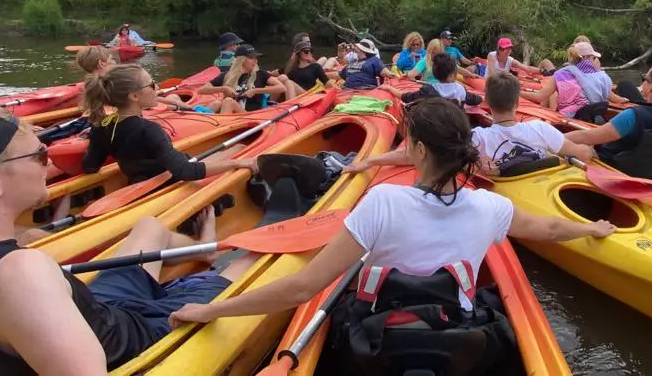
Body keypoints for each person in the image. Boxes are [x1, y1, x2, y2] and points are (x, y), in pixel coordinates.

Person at [169, 98, 616, 374]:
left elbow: (304, 287)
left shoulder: (381, 203)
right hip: (456, 340)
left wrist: (214, 309)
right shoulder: (491, 208)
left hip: (376, 343)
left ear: (419, 151)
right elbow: (551, 228)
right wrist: (591, 227)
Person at [0, 108, 259, 375]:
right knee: (252, 261)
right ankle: (217, 263)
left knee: (148, 227)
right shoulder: (18, 273)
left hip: (101, 315)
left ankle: (201, 251)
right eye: (38, 155)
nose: (49, 162)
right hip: (143, 337)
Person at [348, 72, 594, 176]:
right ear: (518, 101)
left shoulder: (476, 139)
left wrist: (371, 160)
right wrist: (587, 151)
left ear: (486, 102)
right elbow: (584, 153)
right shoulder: (541, 129)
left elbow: (416, 156)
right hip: (539, 179)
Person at [82, 64, 259, 183]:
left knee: (234, 148)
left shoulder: (102, 127)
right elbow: (185, 171)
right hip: (169, 180)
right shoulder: (149, 130)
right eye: (152, 85)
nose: (157, 88)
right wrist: (237, 164)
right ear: (134, 96)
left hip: (143, 178)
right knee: (240, 147)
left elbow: (90, 167)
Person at [565, 63, 652, 183]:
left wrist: (556, 139)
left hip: (622, 177)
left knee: (586, 148)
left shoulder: (633, 116)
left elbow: (589, 137)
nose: (643, 82)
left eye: (645, 79)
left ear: (651, 88)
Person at [520, 42, 628, 119]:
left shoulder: (560, 74)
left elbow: (540, 96)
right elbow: (612, 97)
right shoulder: (600, 76)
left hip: (570, 115)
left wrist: (517, 93)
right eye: (593, 58)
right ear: (588, 58)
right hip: (594, 113)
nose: (595, 60)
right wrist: (624, 100)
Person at [198, 44, 292, 113]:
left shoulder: (260, 74)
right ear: (241, 60)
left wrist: (255, 91)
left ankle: (219, 131)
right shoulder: (227, 76)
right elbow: (201, 90)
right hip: (232, 113)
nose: (255, 61)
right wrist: (224, 88)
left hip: (249, 115)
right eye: (251, 58)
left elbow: (282, 88)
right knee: (216, 103)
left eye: (256, 58)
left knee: (228, 101)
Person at [379, 53, 483, 107]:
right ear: (453, 74)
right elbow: (476, 100)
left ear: (435, 73)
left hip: (435, 128)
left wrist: (389, 88)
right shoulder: (461, 90)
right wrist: (484, 97)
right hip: (455, 129)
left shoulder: (428, 90)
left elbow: (405, 97)